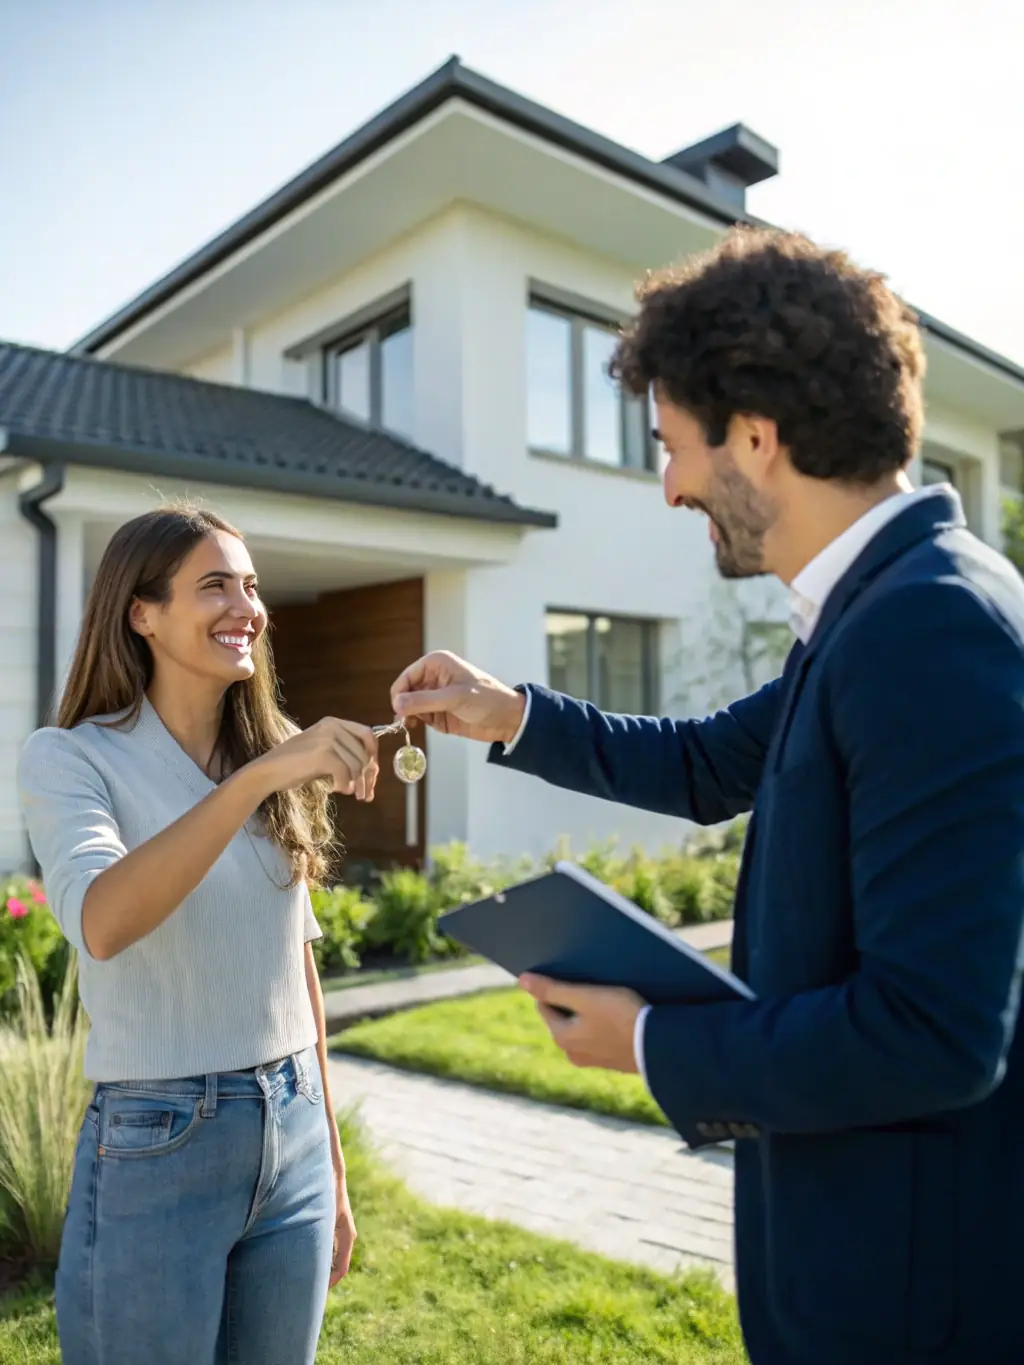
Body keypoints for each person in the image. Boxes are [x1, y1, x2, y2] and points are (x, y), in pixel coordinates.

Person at [390, 227, 1024, 1365]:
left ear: (756, 437)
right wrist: (508, 713)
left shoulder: (929, 627)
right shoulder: (877, 611)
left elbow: (934, 1032)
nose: (671, 485)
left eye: (671, 447)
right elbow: (702, 763)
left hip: (912, 1299)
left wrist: (655, 1046)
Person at [17, 505, 381, 1365]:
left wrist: (328, 1163)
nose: (245, 605)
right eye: (214, 584)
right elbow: (104, 921)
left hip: (289, 1130)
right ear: (141, 612)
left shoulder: (269, 754)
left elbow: (296, 966)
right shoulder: (70, 759)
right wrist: (262, 776)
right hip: (156, 1140)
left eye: (251, 586)